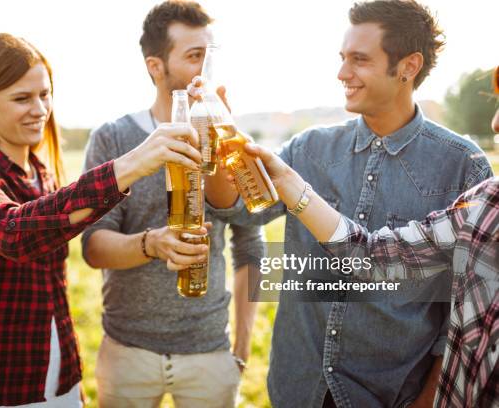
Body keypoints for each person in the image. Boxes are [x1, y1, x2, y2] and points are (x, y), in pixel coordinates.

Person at [194, 1, 494, 407]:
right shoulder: (309, 149)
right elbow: (234, 206)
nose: (342, 73)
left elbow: (462, 311)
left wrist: (427, 401)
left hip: (392, 396)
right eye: (342, 58)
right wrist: (214, 138)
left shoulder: (463, 165)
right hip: (299, 388)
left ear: (408, 65)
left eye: (359, 60)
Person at [0, 33, 200, 407]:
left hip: (59, 375)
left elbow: (52, 273)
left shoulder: (42, 173)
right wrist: (129, 166)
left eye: (44, 94)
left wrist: (72, 386)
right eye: (22, 98)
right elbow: (12, 233)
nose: (39, 109)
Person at [81, 2, 264, 407]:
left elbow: (252, 245)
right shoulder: (112, 139)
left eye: (210, 54)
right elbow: (93, 247)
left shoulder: (227, 135)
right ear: (155, 67)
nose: (207, 70)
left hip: (210, 354)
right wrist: (152, 243)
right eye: (195, 56)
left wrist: (243, 348)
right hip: (127, 351)